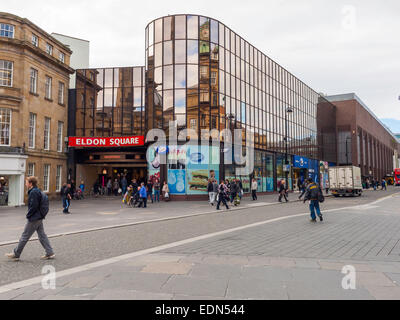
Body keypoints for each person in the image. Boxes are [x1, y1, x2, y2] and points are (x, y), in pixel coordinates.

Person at [5, 176, 55, 261]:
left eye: (26, 182)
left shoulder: (33, 192)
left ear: (30, 184)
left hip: (34, 218)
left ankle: (16, 254)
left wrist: (28, 215)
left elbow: (33, 206)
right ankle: (49, 252)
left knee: (25, 236)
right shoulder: (37, 190)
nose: (25, 184)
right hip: (39, 217)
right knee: (42, 235)